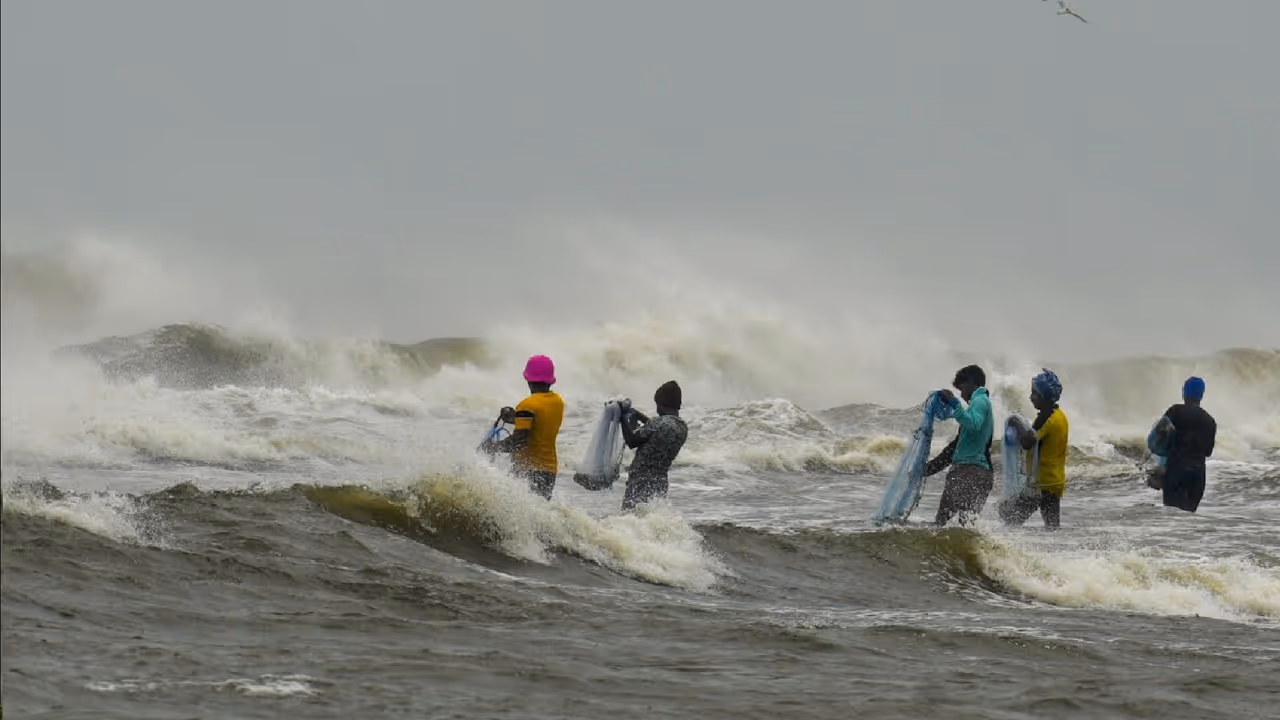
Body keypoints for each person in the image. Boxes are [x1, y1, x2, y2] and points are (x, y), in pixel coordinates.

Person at [483, 355, 565, 500]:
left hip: (528, 471)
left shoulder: (527, 405)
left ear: (528, 378)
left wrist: (494, 447)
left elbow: (520, 441)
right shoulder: (557, 402)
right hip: (549, 470)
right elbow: (539, 423)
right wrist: (514, 418)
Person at [924, 365, 995, 526]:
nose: (962, 395)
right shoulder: (980, 404)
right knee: (968, 526)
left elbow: (973, 424)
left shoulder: (980, 401)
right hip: (982, 474)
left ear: (972, 383)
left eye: (962, 388)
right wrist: (928, 469)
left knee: (940, 524)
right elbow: (954, 449)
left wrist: (955, 403)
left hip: (969, 472)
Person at [998, 368, 1069, 529]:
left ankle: (1008, 550)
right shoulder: (1060, 415)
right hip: (1054, 481)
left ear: (1044, 396)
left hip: (1041, 484)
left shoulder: (1047, 418)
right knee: (1052, 527)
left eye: (1034, 393)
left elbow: (1028, 441)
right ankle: (1055, 552)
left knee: (1009, 517)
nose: (1031, 397)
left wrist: (1015, 421)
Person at [618, 380, 688, 511]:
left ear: (662, 404)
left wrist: (622, 418)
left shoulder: (657, 424)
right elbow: (656, 427)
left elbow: (632, 441)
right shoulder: (682, 427)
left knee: (630, 516)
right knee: (651, 517)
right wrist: (637, 414)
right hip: (660, 482)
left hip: (640, 481)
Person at [1155, 376, 1216, 513]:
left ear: (1184, 392)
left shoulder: (1175, 411)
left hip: (1176, 472)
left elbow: (1159, 435)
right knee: (1188, 520)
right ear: (1201, 395)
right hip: (1197, 477)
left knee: (1173, 517)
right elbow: (1208, 452)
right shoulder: (1210, 421)